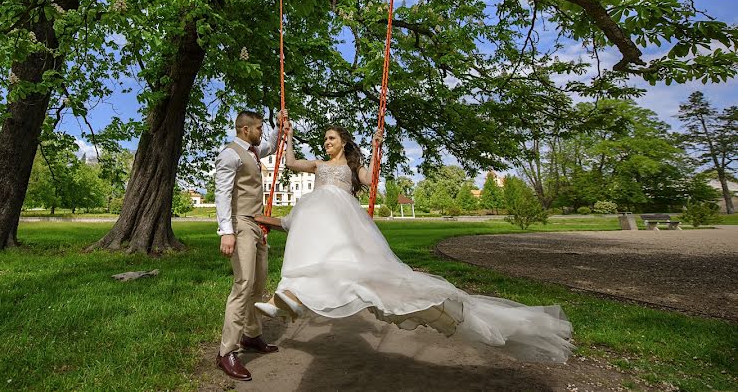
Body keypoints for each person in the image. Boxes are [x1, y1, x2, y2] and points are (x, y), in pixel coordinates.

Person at [255, 122, 574, 363]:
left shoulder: (352, 167)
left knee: (347, 265)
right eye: (324, 139)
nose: (326, 143)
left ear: (344, 142)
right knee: (312, 247)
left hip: (341, 217)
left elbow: (369, 180)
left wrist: (376, 145)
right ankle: (289, 296)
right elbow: (290, 164)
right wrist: (288, 134)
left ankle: (291, 297)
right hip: (317, 212)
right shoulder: (317, 165)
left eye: (331, 138)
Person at [213, 110, 287, 381]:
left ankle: (251, 335)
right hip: (240, 223)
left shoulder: (253, 151)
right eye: (259, 128)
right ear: (245, 130)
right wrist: (226, 232)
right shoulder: (230, 154)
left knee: (258, 284)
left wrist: (280, 127)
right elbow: (222, 193)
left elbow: (272, 144)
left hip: (257, 224)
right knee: (243, 285)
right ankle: (226, 352)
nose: (261, 133)